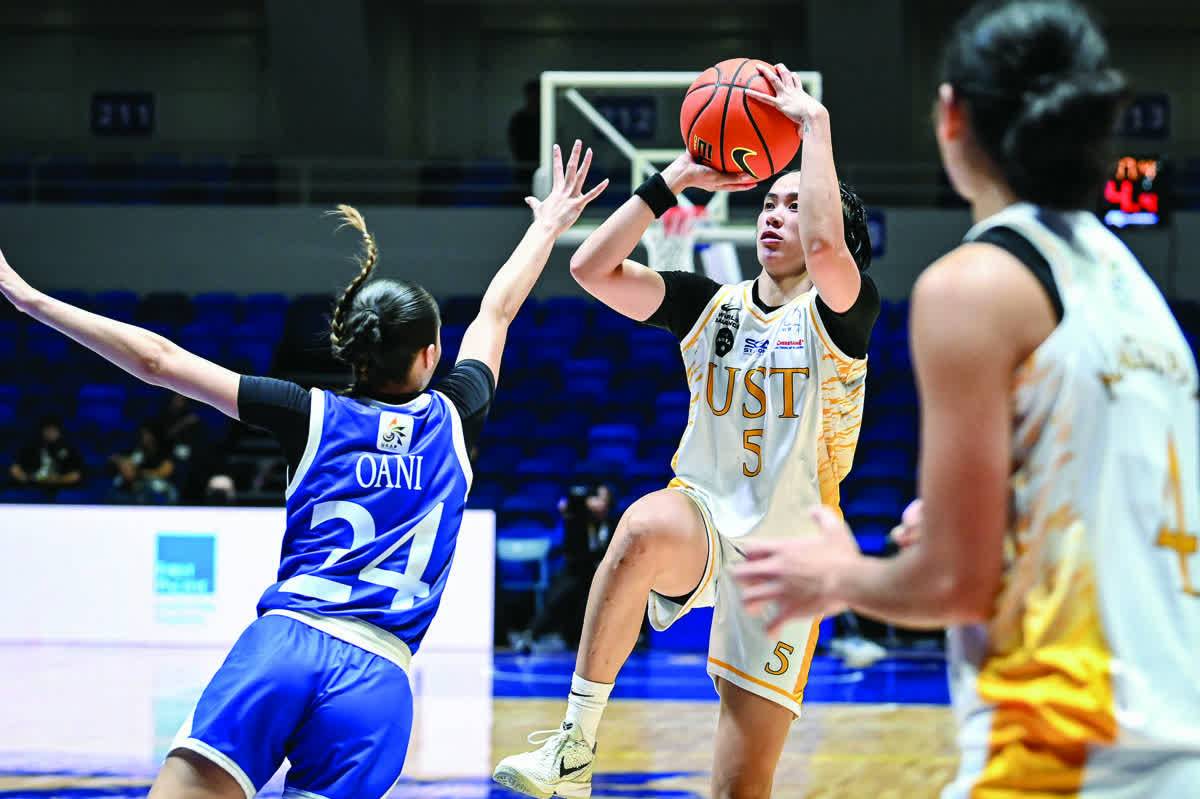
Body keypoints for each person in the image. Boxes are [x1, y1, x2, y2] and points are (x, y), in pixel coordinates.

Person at [0, 139, 607, 799]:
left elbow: (158, 360)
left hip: (284, 646)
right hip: (377, 680)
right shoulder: (456, 417)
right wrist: (547, 225)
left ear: (354, 351)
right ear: (432, 355)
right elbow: (498, 310)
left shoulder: (308, 413)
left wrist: (29, 299)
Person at [734, 2, 1200, 796]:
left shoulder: (973, 287)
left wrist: (841, 575)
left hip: (1066, 758)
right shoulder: (1133, 288)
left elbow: (955, 582)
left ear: (951, 115)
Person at [494, 65, 879, 799]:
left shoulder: (843, 312)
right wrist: (674, 178)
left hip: (788, 555)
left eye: (795, 205)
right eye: (768, 201)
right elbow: (591, 267)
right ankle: (574, 745)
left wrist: (815, 126)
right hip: (703, 518)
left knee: (740, 787)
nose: (773, 215)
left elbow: (829, 251)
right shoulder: (710, 304)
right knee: (640, 527)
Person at [511, 484, 617, 652]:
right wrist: (583, 503)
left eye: (604, 500)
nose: (600, 504)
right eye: (596, 499)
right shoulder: (577, 518)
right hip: (575, 571)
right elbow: (570, 500)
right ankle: (530, 635)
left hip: (599, 574)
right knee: (560, 595)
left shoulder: (612, 524)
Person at [8, 415, 83, 496]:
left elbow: (76, 474)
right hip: (30, 486)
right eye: (47, 429)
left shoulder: (70, 448)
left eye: (54, 430)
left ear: (60, 431)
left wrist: (58, 480)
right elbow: (15, 467)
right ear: (41, 431)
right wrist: (23, 477)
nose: (50, 433)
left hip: (61, 488)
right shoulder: (30, 445)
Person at [109, 423, 178, 505]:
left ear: (154, 435)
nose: (144, 437)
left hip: (159, 484)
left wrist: (139, 473)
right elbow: (127, 464)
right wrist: (122, 462)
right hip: (138, 484)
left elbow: (163, 472)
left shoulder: (164, 452)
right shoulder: (139, 451)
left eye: (146, 434)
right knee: (118, 482)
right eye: (142, 435)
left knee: (156, 487)